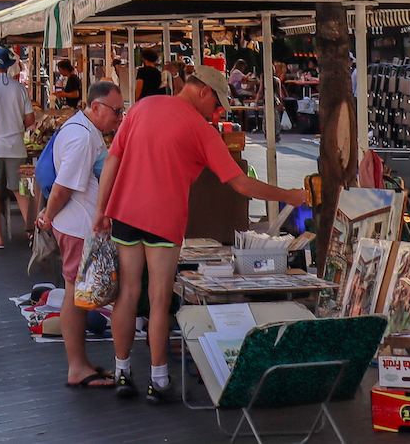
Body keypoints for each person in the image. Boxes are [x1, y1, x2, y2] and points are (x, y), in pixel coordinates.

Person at [91, 64, 311, 401]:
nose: (218, 110)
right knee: (160, 298)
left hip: (123, 212)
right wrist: (290, 196)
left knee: (128, 294)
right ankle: (159, 380)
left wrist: (101, 211)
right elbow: (240, 183)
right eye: (217, 102)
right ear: (203, 91)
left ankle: (122, 373)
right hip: (164, 218)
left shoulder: (142, 107)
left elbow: (112, 160)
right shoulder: (201, 129)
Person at [42, 79, 124, 387]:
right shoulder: (81, 137)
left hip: (80, 224)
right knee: (76, 298)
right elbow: (63, 188)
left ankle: (81, 363)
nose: (119, 117)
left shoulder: (86, 131)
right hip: (79, 226)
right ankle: (77, 367)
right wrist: (47, 217)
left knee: (77, 296)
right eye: (116, 111)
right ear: (96, 107)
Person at [0, 51, 36, 247]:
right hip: (16, 146)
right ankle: (32, 235)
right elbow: (31, 121)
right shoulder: (19, 88)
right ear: (9, 66)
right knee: (20, 191)